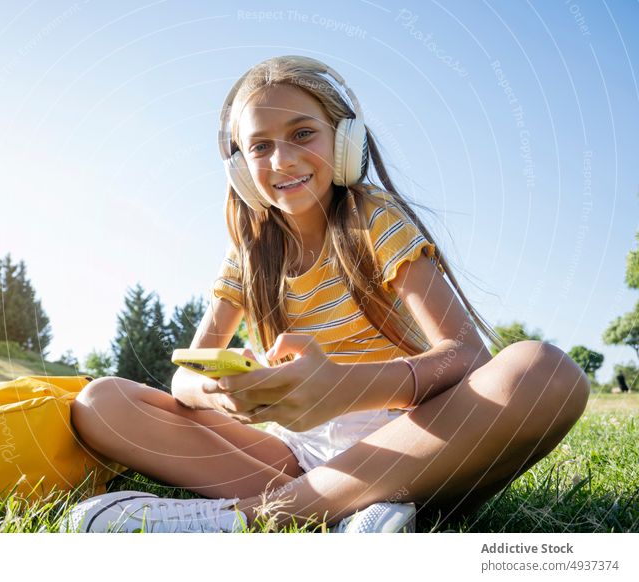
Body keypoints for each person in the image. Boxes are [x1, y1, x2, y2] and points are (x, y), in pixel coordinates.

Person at [65, 55, 590, 533]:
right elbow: (186, 376)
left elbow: (467, 355)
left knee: (544, 372)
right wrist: (217, 391)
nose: (282, 160)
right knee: (101, 403)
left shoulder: (374, 219)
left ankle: (241, 521)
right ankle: (350, 512)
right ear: (240, 169)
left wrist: (343, 387)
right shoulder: (250, 254)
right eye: (260, 146)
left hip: (414, 439)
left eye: (302, 134)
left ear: (344, 143)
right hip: (297, 455)